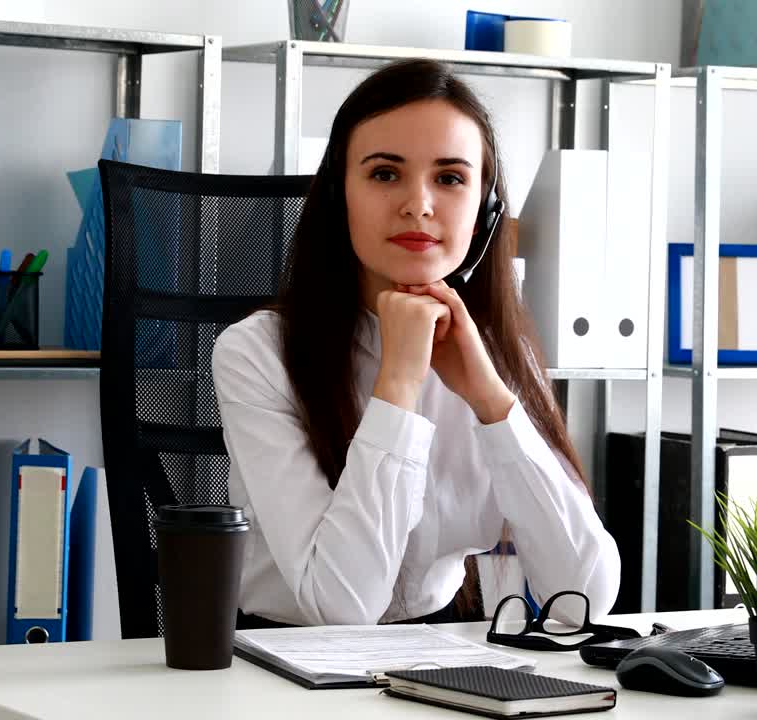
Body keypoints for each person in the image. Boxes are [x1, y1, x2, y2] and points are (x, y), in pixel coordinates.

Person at [212, 58, 620, 628]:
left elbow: (586, 596)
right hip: (285, 659)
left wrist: (489, 398)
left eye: (450, 178)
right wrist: (398, 384)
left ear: (485, 211)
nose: (418, 204)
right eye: (384, 173)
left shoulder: (500, 355)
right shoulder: (256, 354)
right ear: (338, 197)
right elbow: (340, 608)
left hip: (442, 646)